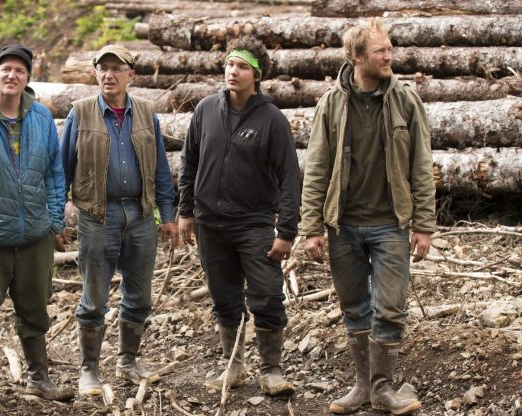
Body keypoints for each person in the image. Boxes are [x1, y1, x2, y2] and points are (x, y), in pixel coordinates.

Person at [301, 19, 435, 415]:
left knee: (390, 308)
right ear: (356, 56)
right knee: (354, 308)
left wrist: (424, 225)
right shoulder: (332, 103)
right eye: (381, 50)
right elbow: (316, 168)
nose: (389, 56)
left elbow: (421, 165)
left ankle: (383, 389)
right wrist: (311, 228)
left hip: (391, 224)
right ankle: (363, 386)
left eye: (390, 48)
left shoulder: (406, 100)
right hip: (342, 226)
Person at [177, 36, 300, 397]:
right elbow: (190, 162)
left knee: (267, 294)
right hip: (210, 224)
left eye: (243, 66)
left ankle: (271, 370)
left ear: (257, 75)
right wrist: (185, 210)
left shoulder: (272, 120)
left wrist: (286, 231)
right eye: (230, 64)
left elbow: (290, 178)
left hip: (253, 224)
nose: (233, 71)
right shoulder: (205, 110)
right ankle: (233, 367)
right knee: (224, 297)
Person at [60, 44, 178, 395]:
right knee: (94, 299)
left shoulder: (146, 112)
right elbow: (61, 170)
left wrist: (167, 215)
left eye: (116, 69)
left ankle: (127, 362)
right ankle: (89, 370)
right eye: (103, 68)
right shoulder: (80, 112)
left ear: (131, 75)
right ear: (95, 73)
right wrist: (56, 218)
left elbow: (160, 168)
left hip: (140, 215)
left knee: (139, 296)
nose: (109, 75)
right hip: (98, 216)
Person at [0, 44, 72, 401]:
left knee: (34, 308)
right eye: (6, 69)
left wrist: (55, 220)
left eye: (19, 70)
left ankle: (39, 378)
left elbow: (54, 172)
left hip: (35, 235)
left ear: (28, 78)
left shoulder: (41, 117)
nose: (12, 75)